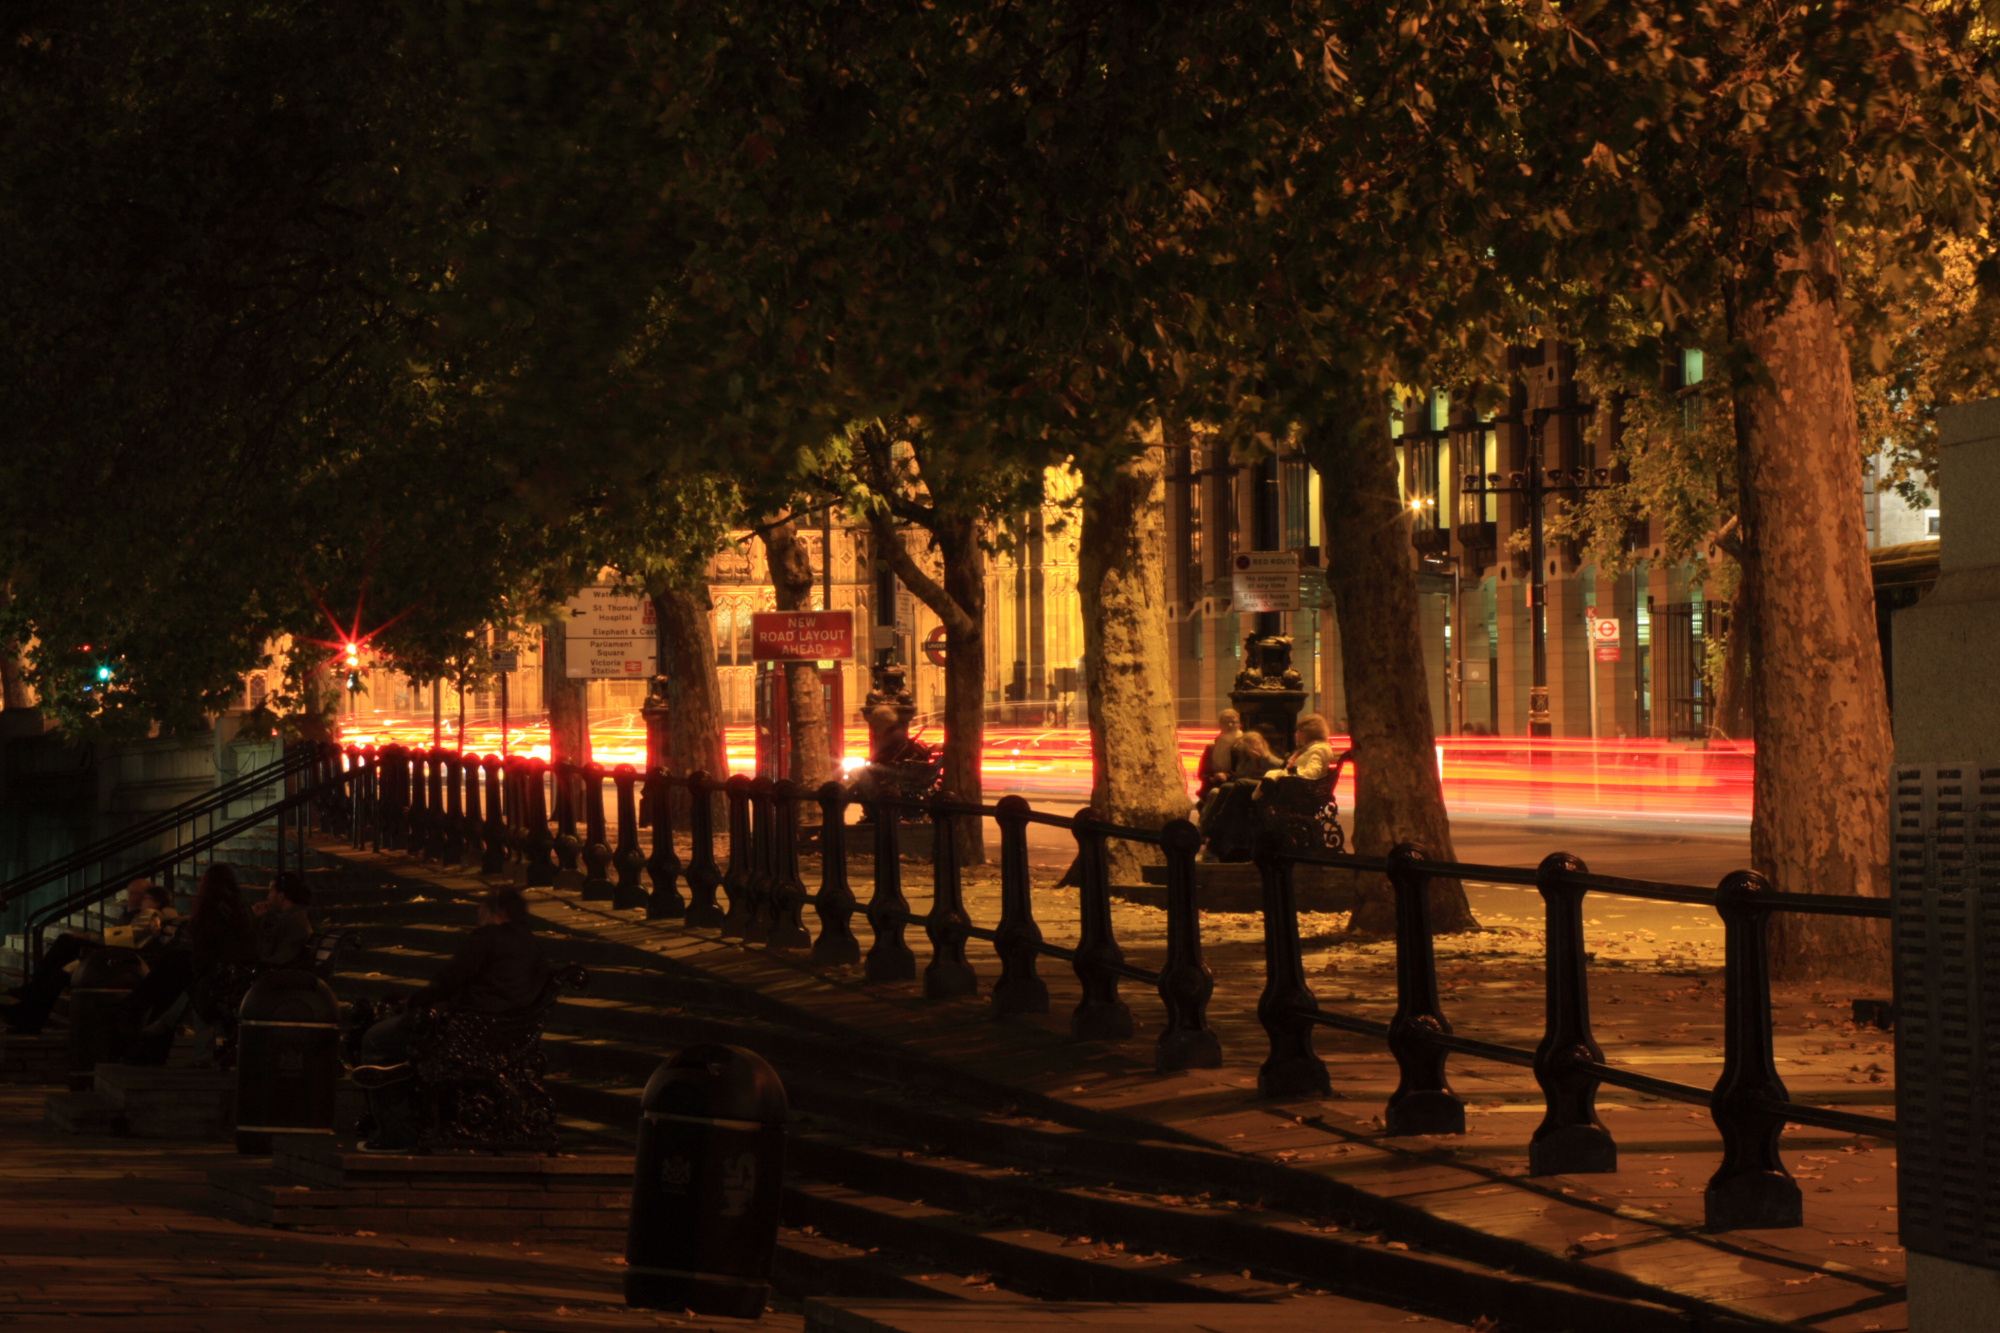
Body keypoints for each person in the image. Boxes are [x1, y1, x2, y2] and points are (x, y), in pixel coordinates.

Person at [354, 886, 551, 1152]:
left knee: (375, 1039)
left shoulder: (487, 938)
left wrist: (414, 1003)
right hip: (509, 1034)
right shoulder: (532, 944)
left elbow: (449, 979)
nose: (478, 915)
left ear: (498, 912)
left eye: (482, 910)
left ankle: (395, 1131)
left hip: (467, 1033)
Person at [126, 864, 258, 1066]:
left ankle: (152, 1016)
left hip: (226, 974)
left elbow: (206, 943)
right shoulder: (238, 907)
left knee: (183, 975)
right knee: (183, 978)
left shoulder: (214, 908)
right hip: (228, 970)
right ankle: (161, 1027)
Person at [5, 881, 177, 1034]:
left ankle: (30, 1007)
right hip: (117, 956)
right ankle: (30, 1008)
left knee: (63, 960)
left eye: (144, 896)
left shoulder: (151, 914)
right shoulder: (138, 914)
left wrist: (89, 937)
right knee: (61, 962)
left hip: (120, 960)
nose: (138, 900)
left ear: (156, 901)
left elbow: (122, 938)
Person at [252, 872, 314, 968]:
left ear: (281, 896)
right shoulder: (287, 918)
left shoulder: (295, 922)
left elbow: (280, 960)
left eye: (271, 892)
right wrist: (258, 917)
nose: (268, 897)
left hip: (276, 976)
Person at [1194, 710, 1244, 803]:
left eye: (1233, 722)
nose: (1230, 725)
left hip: (1234, 786)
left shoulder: (1244, 744)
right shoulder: (1212, 746)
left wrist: (1227, 775)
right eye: (1226, 722)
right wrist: (1212, 778)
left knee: (1214, 794)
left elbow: (1247, 770)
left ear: (1239, 724)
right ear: (1220, 725)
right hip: (1213, 785)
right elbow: (1202, 772)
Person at [1286, 714, 1338, 781]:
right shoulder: (1308, 749)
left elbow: (1312, 774)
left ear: (1307, 733)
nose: (1296, 734)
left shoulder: (1318, 749)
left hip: (1305, 789)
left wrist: (1292, 772)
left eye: (1299, 730)